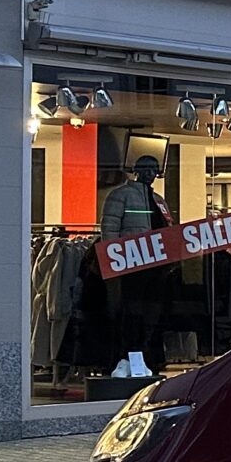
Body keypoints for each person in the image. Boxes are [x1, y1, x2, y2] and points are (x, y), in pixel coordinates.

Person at [99, 153, 171, 379]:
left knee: (151, 313)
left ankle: (144, 357)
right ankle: (125, 357)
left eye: (155, 169)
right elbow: (109, 228)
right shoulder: (121, 195)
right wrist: (113, 260)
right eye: (146, 169)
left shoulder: (158, 199)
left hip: (156, 266)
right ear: (136, 170)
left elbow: (168, 231)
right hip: (131, 264)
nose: (151, 174)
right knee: (130, 312)